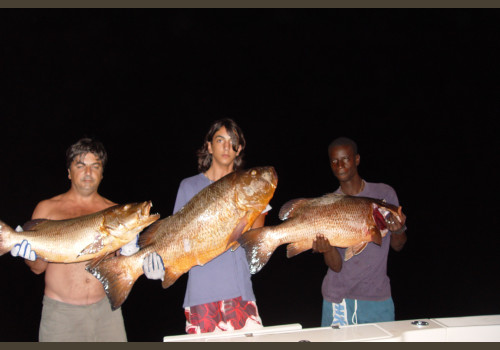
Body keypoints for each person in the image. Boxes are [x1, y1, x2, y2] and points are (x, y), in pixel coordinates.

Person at [143, 118, 270, 334]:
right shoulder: (188, 186)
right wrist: (161, 268)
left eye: (233, 142)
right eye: (220, 140)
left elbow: (254, 242)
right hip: (200, 297)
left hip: (239, 294)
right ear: (209, 146)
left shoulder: (249, 185)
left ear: (239, 149)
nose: (226, 147)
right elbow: (175, 238)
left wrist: (257, 205)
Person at [10, 138, 138, 342]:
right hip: (61, 314)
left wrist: (130, 253)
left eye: (95, 166)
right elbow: (37, 268)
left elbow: (121, 270)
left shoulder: (115, 212)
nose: (88, 172)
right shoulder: (47, 209)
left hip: (106, 312)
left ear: (102, 173)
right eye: (81, 165)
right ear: (69, 172)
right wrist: (30, 254)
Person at [312, 136, 407, 327]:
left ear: (356, 159)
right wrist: (327, 248)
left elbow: (398, 245)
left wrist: (397, 230)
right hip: (338, 299)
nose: (340, 165)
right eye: (334, 161)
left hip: (377, 298)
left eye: (345, 158)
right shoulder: (330, 204)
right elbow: (336, 266)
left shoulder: (384, 195)